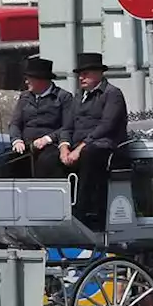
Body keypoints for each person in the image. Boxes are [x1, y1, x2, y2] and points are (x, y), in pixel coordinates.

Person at [59, 52, 128, 229]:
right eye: (80, 74)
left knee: (90, 155)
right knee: (48, 159)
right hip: (77, 146)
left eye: (86, 73)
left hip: (104, 146)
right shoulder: (78, 97)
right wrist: (64, 147)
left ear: (99, 73)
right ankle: (55, 210)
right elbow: (66, 126)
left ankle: (85, 212)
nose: (81, 77)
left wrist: (81, 147)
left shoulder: (112, 94)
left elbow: (106, 126)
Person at [8, 56, 73, 179]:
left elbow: (68, 126)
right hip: (26, 144)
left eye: (29, 79)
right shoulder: (25, 97)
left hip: (50, 146)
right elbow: (15, 123)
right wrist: (16, 140)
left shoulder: (63, 97)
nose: (26, 82)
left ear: (41, 80)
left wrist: (47, 139)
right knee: (8, 160)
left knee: (46, 161)